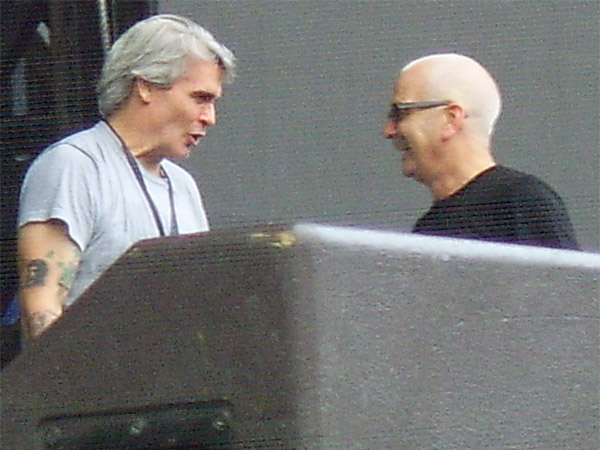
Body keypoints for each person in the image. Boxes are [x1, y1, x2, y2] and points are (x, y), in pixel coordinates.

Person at [16, 14, 236, 341]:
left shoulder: (183, 186)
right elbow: (42, 310)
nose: (210, 118)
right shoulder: (74, 165)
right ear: (145, 86)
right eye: (200, 98)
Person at [383, 53, 579, 250]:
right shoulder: (430, 228)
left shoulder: (520, 202)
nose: (389, 130)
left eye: (400, 113)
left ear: (450, 120)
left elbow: (566, 281)